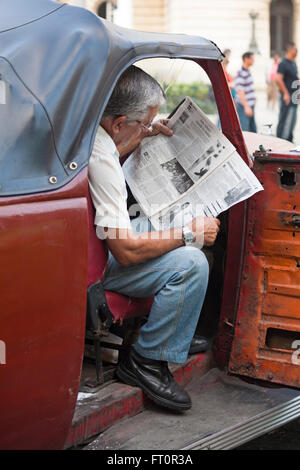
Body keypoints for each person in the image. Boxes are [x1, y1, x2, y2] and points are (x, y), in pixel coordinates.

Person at [88, 65, 220, 412]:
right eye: (144, 122)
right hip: (100, 265)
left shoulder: (96, 135)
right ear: (118, 122)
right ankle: (145, 361)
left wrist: (142, 137)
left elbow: (107, 157)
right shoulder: (101, 159)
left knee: (170, 226)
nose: (148, 127)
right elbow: (127, 252)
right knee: (192, 261)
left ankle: (174, 329)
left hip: (98, 244)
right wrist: (190, 234)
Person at [276, 42, 299, 142]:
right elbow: (278, 79)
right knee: (285, 120)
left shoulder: (293, 63)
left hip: (294, 98)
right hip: (287, 98)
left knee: (292, 122)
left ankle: (289, 141)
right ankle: (282, 142)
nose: (297, 51)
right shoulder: (283, 63)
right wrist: (285, 93)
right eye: (295, 49)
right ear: (290, 50)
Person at [235, 52, 257, 132]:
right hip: (244, 107)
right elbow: (240, 91)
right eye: (252, 59)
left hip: (250, 106)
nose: (253, 60)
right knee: (246, 131)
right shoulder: (241, 73)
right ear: (246, 59)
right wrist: (246, 107)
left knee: (253, 131)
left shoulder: (247, 72)